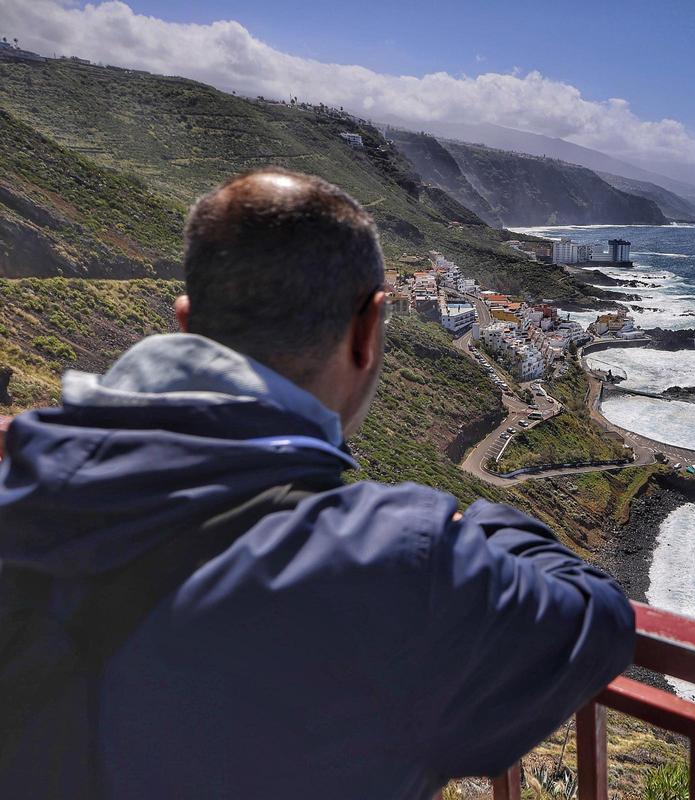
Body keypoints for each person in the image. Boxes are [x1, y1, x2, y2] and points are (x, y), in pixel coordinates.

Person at [0, 169, 634, 799]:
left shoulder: (20, 478)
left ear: (185, 321)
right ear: (368, 330)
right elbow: (598, 616)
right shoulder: (392, 563)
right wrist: (480, 524)